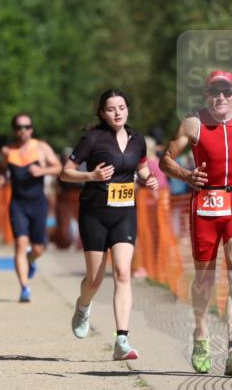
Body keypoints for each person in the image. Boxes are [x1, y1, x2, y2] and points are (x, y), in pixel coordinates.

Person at [161, 70, 232, 376]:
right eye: (214, 91)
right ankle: (201, 334)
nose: (220, 97)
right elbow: (165, 159)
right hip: (206, 203)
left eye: (226, 91)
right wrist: (185, 175)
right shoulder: (193, 123)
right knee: (204, 280)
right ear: (206, 95)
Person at [60, 89, 159, 361]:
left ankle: (122, 340)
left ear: (128, 110)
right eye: (112, 109)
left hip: (125, 212)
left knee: (123, 273)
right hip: (94, 213)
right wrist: (91, 176)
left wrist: (148, 178)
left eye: (122, 107)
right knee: (94, 279)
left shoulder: (138, 139)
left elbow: (141, 167)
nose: (118, 113)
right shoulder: (93, 139)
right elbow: (65, 173)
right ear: (102, 113)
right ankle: (83, 306)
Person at [0, 113, 62, 302]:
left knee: (39, 248)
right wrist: (2, 178)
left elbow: (59, 168)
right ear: (14, 130)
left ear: (31, 129)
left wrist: (42, 170)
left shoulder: (41, 147)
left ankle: (31, 259)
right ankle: (24, 288)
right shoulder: (8, 151)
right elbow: (2, 168)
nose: (22, 131)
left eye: (26, 127)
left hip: (38, 203)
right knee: (20, 244)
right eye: (18, 127)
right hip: (18, 204)